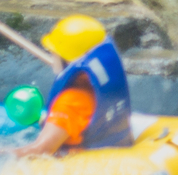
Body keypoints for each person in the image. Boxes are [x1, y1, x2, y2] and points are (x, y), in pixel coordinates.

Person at [15, 14, 133, 157]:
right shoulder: (101, 87)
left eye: (54, 52)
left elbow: (40, 151)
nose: (52, 56)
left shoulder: (70, 102)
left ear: (66, 59)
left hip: (80, 164)